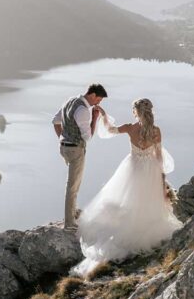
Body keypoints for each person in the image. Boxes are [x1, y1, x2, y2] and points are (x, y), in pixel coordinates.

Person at [72, 98, 182, 276]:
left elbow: (109, 130)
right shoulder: (156, 131)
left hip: (133, 167)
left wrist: (103, 116)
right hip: (151, 170)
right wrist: (162, 179)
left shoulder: (131, 128)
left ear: (135, 112)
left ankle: (127, 231)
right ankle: (144, 228)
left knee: (129, 199)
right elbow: (159, 156)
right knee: (147, 200)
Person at [52, 83, 108, 230]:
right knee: (72, 187)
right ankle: (69, 223)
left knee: (73, 183)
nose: (98, 103)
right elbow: (87, 137)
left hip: (64, 148)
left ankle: (73, 211)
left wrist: (62, 138)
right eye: (98, 100)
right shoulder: (84, 111)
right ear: (92, 95)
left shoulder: (70, 101)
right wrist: (94, 118)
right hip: (76, 150)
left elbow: (55, 121)